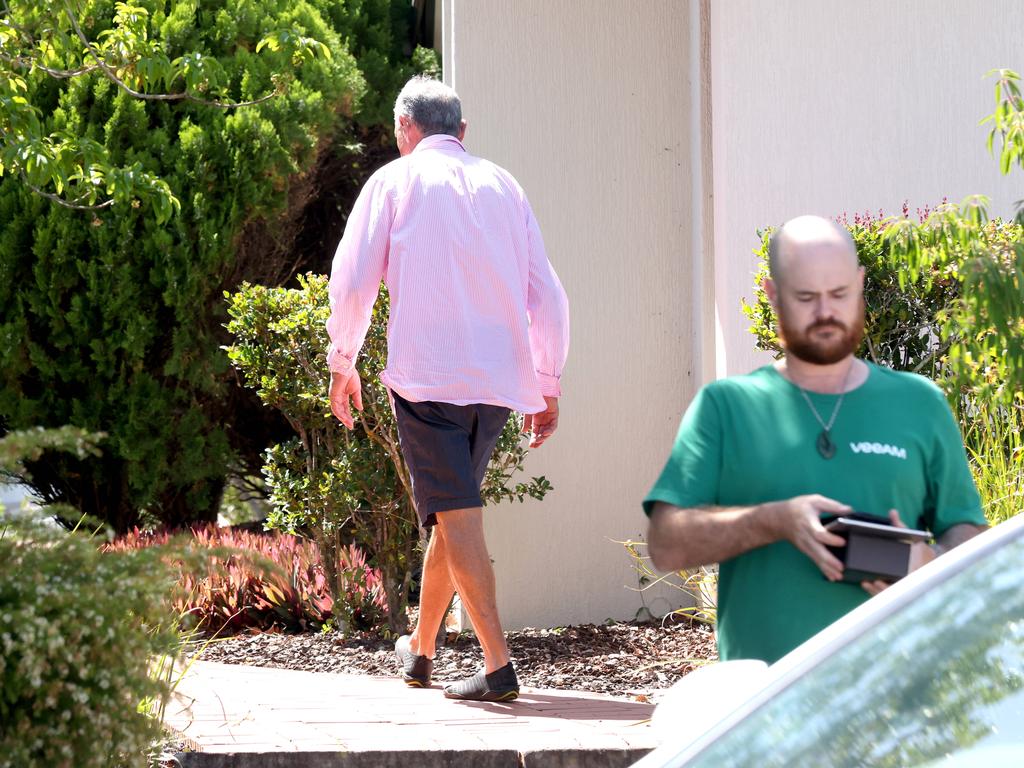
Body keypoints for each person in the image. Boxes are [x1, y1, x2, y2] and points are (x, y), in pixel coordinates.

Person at [643, 214, 987, 664]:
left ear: (861, 284)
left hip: (898, 695)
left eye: (840, 294)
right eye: (806, 297)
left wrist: (930, 563)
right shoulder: (727, 406)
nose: (826, 312)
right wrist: (775, 520)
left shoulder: (919, 402)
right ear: (772, 294)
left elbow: (968, 534)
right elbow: (665, 545)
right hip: (766, 702)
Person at [325, 76, 570, 701]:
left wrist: (342, 360)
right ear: (461, 133)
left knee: (457, 517)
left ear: (405, 129)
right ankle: (422, 650)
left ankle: (497, 666)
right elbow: (547, 292)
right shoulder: (503, 185)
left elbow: (354, 279)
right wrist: (546, 382)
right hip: (494, 384)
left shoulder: (393, 181)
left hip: (427, 379)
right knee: (451, 511)